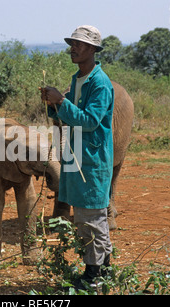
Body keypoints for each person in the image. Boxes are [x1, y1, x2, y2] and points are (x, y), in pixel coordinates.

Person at [40, 25, 114, 290]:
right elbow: (70, 117)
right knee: (90, 216)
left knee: (90, 217)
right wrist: (55, 105)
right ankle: (104, 269)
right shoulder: (78, 78)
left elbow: (91, 121)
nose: (73, 48)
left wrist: (62, 101)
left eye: (80, 44)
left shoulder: (100, 82)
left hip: (92, 159)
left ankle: (93, 276)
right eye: (72, 43)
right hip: (79, 156)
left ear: (93, 49)